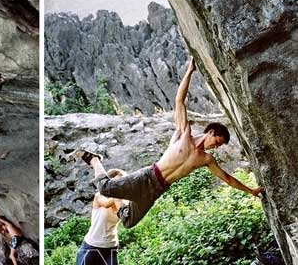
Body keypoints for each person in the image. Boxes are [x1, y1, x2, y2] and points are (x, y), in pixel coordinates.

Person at [73, 57, 264, 229]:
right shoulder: (184, 134)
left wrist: (252, 191)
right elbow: (179, 101)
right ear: (210, 132)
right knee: (105, 188)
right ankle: (95, 159)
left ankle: (120, 202)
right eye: (217, 141)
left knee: (129, 221)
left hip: (156, 190)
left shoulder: (206, 159)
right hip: (146, 177)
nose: (216, 146)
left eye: (219, 145)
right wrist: (190, 71)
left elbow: (228, 179)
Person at [73, 168, 128, 265]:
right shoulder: (99, 197)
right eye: (116, 183)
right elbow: (107, 203)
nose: (120, 186)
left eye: (122, 183)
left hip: (110, 248)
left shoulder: (123, 202)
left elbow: (128, 214)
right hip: (91, 247)